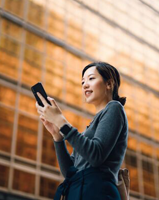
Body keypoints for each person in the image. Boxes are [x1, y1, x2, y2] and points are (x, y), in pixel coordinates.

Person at [35, 62, 128, 200]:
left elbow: (96, 155)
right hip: (78, 192)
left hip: (98, 192)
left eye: (91, 78)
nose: (85, 85)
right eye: (83, 81)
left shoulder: (114, 108)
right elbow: (70, 172)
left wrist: (61, 121)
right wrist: (57, 136)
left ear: (109, 84)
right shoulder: (87, 131)